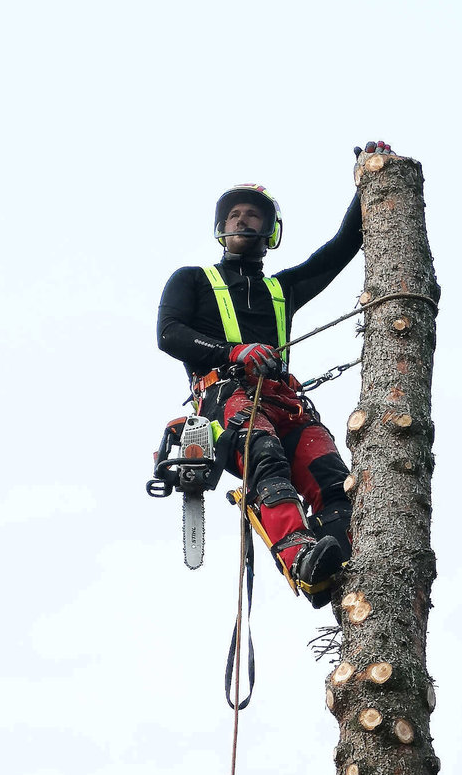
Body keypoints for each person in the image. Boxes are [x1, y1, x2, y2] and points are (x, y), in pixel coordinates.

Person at [156, 142, 392, 605]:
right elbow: (169, 334)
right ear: (222, 228)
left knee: (333, 479)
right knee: (264, 456)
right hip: (226, 397)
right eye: (235, 215)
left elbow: (341, 248)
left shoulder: (281, 289)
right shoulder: (192, 281)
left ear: (270, 231)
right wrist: (234, 352)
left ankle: (341, 556)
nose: (243, 220)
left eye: (253, 216)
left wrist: (370, 178)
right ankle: (300, 557)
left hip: (286, 402)